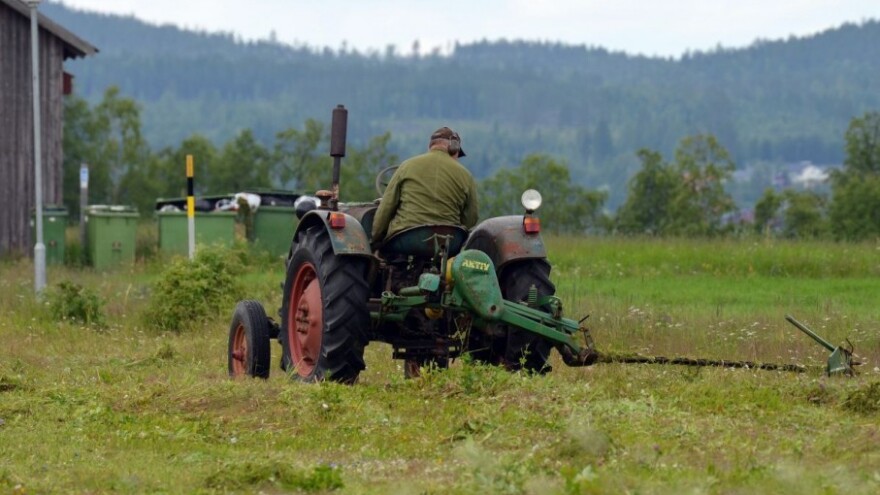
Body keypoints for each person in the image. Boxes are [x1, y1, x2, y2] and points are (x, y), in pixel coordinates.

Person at [371, 127, 479, 246]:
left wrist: (375, 238)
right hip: (447, 242)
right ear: (454, 148)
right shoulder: (466, 175)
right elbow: (471, 218)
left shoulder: (406, 166)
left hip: (404, 239)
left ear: (430, 146)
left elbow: (386, 208)